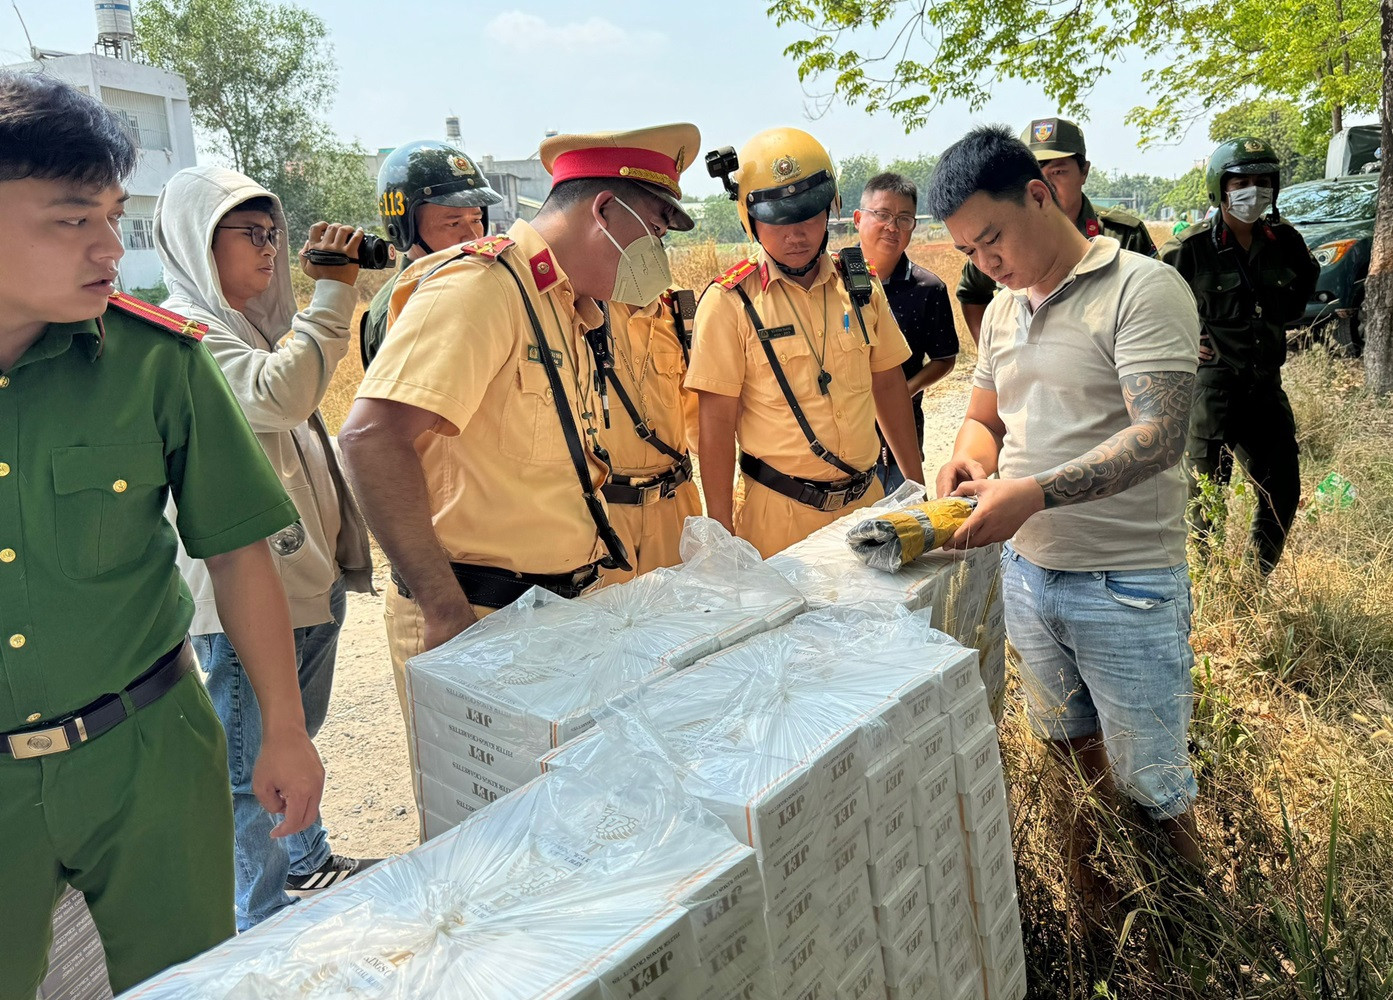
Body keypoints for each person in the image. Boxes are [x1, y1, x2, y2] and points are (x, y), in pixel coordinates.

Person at [0, 72, 323, 992]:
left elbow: (236, 549)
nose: (111, 247)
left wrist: (285, 732)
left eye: (114, 215)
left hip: (145, 751)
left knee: (190, 981)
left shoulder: (157, 363)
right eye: (72, 220)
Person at [338, 124, 698, 823]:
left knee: (562, 840)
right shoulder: (480, 286)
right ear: (606, 213)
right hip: (478, 625)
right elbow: (372, 438)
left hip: (548, 624)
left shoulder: (562, 303)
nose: (659, 253)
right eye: (655, 229)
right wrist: (442, 607)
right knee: (491, 851)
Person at [927, 126, 1203, 878]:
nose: (986, 263)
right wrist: (966, 464)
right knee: (1066, 768)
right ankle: (1095, 927)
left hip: (1126, 584)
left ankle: (1206, 939)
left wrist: (1037, 492)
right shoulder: (1006, 311)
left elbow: (1160, 436)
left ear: (1041, 196)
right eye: (969, 253)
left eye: (992, 240)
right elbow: (984, 418)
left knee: (1153, 784)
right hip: (1028, 574)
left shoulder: (1140, 288)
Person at [153, 165, 378, 929]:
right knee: (253, 772)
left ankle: (305, 861)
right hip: (248, 604)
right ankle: (260, 924)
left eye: (274, 233)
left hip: (301, 585)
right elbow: (282, 396)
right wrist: (332, 294)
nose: (271, 250)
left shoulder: (250, 328)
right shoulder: (188, 336)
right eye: (249, 234)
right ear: (193, 239)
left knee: (291, 744)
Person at [686, 127, 924, 558]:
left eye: (808, 215)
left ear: (829, 209)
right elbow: (717, 425)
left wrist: (915, 487)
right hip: (780, 520)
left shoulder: (861, 285)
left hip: (865, 507)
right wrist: (721, 536)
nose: (795, 234)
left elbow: (887, 384)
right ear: (750, 220)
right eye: (778, 220)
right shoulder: (729, 304)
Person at [1161, 138, 1319, 575]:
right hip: (1210, 393)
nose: (1254, 191)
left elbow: (1301, 291)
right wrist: (1182, 339)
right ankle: (1209, 589)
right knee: (1206, 500)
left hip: (1266, 388)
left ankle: (1254, 578)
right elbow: (1147, 308)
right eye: (1242, 181)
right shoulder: (1188, 249)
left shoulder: (1285, 242)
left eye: (1263, 181)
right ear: (1220, 188)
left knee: (1283, 489)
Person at [956, 117, 1158, 345]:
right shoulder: (999, 240)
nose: (1046, 183)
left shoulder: (1122, 234)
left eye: (1058, 172)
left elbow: (1156, 303)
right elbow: (972, 292)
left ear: (1084, 172)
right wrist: (990, 353)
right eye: (1034, 173)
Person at [852, 171, 958, 492]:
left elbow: (944, 358)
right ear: (858, 219)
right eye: (882, 215)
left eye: (904, 218)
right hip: (840, 437)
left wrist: (904, 391)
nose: (892, 227)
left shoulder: (928, 288)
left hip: (897, 442)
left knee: (899, 524)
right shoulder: (828, 284)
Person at [359, 140, 503, 368]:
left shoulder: (479, 283)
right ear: (406, 228)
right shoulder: (399, 310)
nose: (473, 237)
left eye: (476, 220)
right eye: (453, 223)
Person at [597, 290, 703, 584]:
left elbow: (698, 422)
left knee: (683, 619)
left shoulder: (677, 310)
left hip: (675, 506)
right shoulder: (580, 310)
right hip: (605, 517)